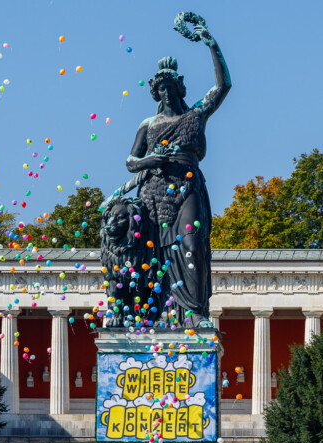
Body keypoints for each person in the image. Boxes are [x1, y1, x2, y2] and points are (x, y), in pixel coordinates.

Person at [102, 22, 231, 328]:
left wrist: (211, 44)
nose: (167, 93)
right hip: (153, 191)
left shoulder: (196, 114)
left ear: (179, 88)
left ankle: (196, 312)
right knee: (156, 255)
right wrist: (151, 159)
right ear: (156, 92)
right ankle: (157, 312)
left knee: (191, 243)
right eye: (162, 89)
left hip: (187, 186)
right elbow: (131, 161)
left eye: (171, 88)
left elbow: (223, 85)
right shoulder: (148, 124)